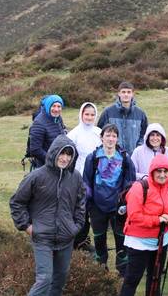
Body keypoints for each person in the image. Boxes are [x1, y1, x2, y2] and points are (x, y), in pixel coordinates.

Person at [10, 135, 86, 296]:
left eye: (69, 154)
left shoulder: (76, 177)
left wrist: (76, 226)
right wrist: (27, 227)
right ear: (53, 153)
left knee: (59, 280)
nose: (65, 158)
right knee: (44, 279)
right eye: (62, 154)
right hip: (42, 236)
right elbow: (17, 202)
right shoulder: (36, 176)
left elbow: (81, 203)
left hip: (66, 237)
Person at [119, 154, 168, 296]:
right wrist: (158, 219)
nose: (162, 175)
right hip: (139, 242)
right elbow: (134, 216)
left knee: (155, 279)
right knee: (132, 279)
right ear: (152, 171)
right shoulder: (139, 188)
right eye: (159, 171)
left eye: (165, 171)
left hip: (161, 241)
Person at [83, 124, 136, 275]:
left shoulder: (125, 158)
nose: (111, 138)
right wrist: (88, 200)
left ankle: (122, 271)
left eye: (114, 136)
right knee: (99, 239)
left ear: (117, 138)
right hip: (97, 207)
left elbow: (130, 181)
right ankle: (101, 269)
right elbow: (86, 181)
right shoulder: (92, 158)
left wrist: (124, 201)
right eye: (108, 135)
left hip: (118, 207)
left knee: (121, 239)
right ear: (102, 137)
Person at [67, 101, 101, 251]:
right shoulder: (73, 134)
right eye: (86, 114)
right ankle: (75, 240)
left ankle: (85, 239)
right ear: (81, 115)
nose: (89, 117)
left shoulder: (99, 133)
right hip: (78, 177)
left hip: (96, 177)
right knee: (78, 209)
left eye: (92, 114)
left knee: (91, 210)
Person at [97, 81, 148, 157]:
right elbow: (100, 131)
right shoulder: (108, 112)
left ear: (132, 94)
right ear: (119, 93)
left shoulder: (140, 114)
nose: (126, 94)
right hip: (112, 157)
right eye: (123, 92)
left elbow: (144, 134)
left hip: (133, 157)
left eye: (128, 92)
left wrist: (138, 148)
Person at [28, 94, 66, 170]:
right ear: (48, 106)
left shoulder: (58, 119)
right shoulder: (39, 123)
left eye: (59, 106)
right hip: (44, 168)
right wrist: (53, 160)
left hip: (58, 165)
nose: (56, 109)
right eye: (53, 106)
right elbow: (35, 149)